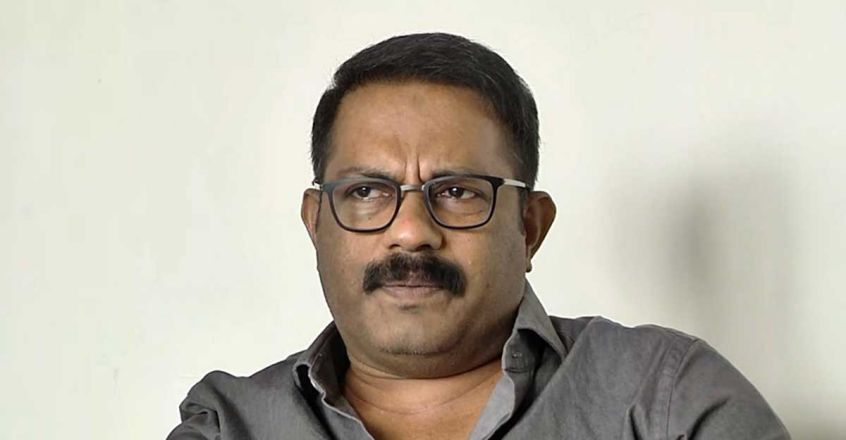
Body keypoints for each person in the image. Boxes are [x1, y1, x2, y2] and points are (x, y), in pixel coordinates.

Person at [167, 32, 790, 440]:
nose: (411, 232)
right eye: (367, 192)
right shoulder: (228, 426)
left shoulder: (666, 401)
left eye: (458, 191)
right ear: (316, 222)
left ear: (529, 227)